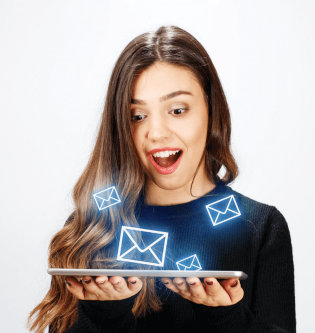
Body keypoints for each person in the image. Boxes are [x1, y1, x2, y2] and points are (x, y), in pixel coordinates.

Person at [28, 25, 296, 333]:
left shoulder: (261, 228)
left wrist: (225, 318)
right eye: (137, 116)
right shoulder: (92, 227)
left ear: (211, 111)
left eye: (178, 110)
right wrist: (103, 315)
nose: (156, 132)